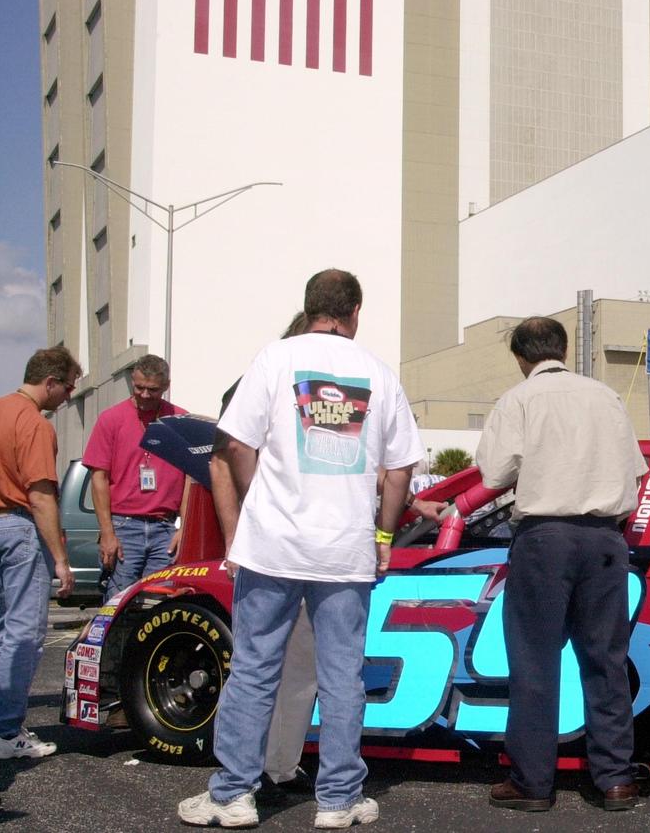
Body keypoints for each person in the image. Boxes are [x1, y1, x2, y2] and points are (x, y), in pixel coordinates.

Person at [179, 269, 423, 829]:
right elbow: (401, 467)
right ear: (354, 311)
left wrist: (258, 496)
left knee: (255, 668)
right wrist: (384, 536)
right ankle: (338, 801)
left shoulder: (273, 359)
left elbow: (235, 442)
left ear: (310, 307)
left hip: (273, 545)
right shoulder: (378, 373)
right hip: (344, 549)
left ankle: (232, 796)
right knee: (342, 676)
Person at [476, 316, 646, 812]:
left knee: (535, 660)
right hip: (605, 538)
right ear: (564, 350)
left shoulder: (519, 399)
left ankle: (532, 782)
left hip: (545, 538)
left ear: (521, 357)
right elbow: (635, 469)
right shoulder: (606, 397)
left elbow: (494, 470)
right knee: (605, 659)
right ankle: (615, 778)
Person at [212, 311, 316, 804]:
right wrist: (237, 538)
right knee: (257, 666)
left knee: (304, 666)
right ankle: (238, 777)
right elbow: (221, 459)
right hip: (266, 549)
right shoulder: (258, 377)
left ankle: (281, 764)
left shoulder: (332, 385)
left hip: (315, 550)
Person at [0, 346, 79, 759]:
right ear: (49, 382)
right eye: (67, 387)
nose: (68, 395)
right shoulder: (34, 424)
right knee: (23, 634)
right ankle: (6, 731)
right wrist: (61, 559)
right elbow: (41, 495)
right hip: (18, 527)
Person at [83, 354, 188, 599]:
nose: (144, 395)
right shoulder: (111, 419)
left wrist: (184, 528)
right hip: (123, 526)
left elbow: (190, 478)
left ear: (166, 386)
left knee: (159, 602)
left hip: (165, 527)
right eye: (139, 387)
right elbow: (99, 477)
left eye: (152, 389)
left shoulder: (179, 420)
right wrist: (107, 532)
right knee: (118, 602)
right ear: (132, 380)